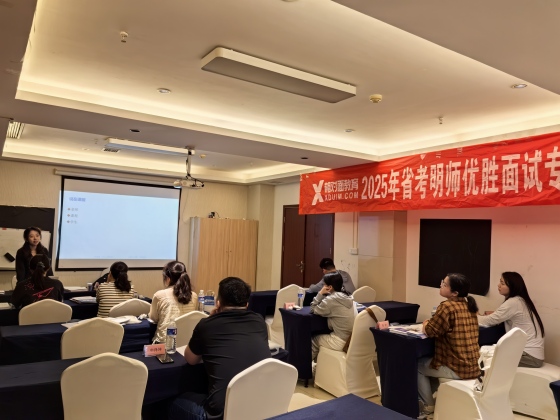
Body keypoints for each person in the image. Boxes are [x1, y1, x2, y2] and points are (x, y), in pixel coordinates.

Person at [169, 277, 270, 420]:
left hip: (220, 414)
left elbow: (191, 359)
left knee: (172, 403)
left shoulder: (206, 325)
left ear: (218, 302)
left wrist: (210, 319)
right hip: (260, 407)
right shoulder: (259, 321)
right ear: (247, 304)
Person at [417, 273, 480, 417]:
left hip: (457, 368)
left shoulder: (447, 307)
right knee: (431, 364)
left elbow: (430, 331)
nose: (440, 285)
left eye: (444, 284)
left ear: (454, 293)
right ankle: (435, 400)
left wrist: (425, 323)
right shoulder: (469, 305)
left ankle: (427, 406)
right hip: (473, 366)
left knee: (418, 366)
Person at [478, 272, 545, 368]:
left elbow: (490, 320)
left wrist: (471, 317)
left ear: (513, 286)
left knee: (483, 357)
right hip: (531, 355)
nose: (498, 285)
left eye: (502, 283)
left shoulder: (513, 302)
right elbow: (502, 316)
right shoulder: (521, 300)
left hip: (529, 357)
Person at [310, 272, 355, 362]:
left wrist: (320, 293)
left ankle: (305, 368)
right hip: (351, 339)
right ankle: (320, 366)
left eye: (324, 285)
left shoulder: (331, 300)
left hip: (340, 341)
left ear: (329, 287)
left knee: (314, 340)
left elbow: (313, 309)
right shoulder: (348, 296)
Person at [149, 261, 197, 343]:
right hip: (186, 343)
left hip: (165, 343)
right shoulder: (194, 296)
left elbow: (153, 318)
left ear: (168, 279)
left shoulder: (159, 295)